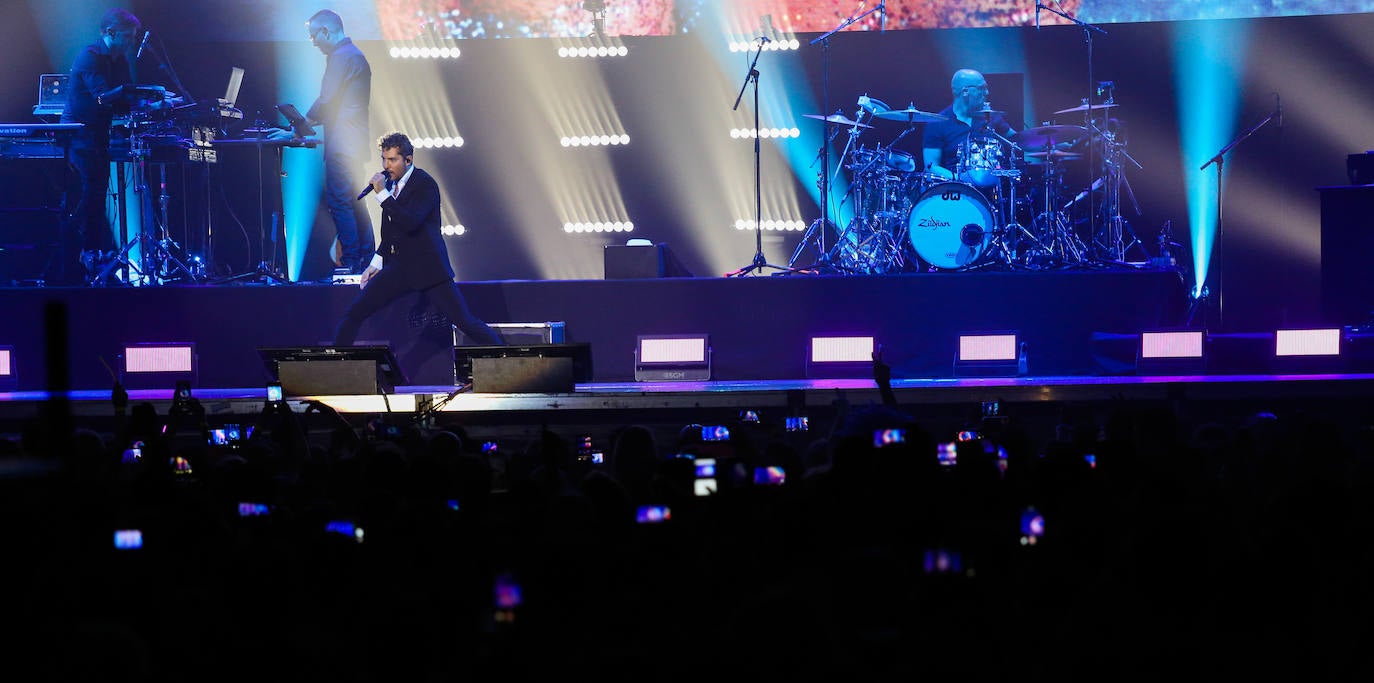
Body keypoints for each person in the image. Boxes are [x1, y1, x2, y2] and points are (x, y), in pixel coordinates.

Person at [333, 132, 502, 348]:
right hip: (399, 268)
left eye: (392, 160)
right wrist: (375, 263)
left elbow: (409, 222)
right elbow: (391, 233)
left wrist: (383, 195)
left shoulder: (424, 184)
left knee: (464, 321)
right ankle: (339, 360)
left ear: (408, 160)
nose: (386, 166)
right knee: (354, 313)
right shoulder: (390, 184)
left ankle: (503, 356)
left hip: (428, 269)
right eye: (384, 159)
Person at [269, 10, 375, 274]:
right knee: (355, 201)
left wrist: (297, 129)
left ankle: (352, 261)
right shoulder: (352, 55)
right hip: (352, 143)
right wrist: (298, 129)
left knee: (340, 200)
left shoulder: (342, 57)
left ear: (326, 31)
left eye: (314, 36)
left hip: (344, 144)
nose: (313, 42)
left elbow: (327, 101)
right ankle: (366, 258)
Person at [61, 8, 142, 285]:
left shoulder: (119, 60)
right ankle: (73, 258)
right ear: (110, 32)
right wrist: (132, 95)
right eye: (128, 36)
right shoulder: (90, 56)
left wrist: (153, 101)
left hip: (99, 136)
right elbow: (101, 96)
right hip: (79, 136)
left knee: (96, 200)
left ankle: (93, 259)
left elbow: (126, 99)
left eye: (133, 36)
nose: (132, 41)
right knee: (86, 198)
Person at [922, 69, 1017, 187]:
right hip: (954, 189)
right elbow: (931, 166)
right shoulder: (937, 123)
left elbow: (1018, 140)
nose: (987, 92)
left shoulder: (990, 117)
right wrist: (959, 179)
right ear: (965, 91)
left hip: (992, 188)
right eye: (981, 88)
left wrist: (1038, 141)